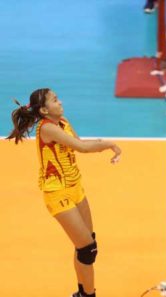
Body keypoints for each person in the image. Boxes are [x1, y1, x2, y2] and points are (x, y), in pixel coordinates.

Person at [7, 88, 122, 297]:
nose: (60, 102)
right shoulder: (47, 128)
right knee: (87, 249)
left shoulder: (63, 121)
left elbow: (81, 144)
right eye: (55, 100)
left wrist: (101, 143)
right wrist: (110, 144)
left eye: (58, 98)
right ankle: (88, 295)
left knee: (88, 246)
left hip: (75, 187)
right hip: (58, 193)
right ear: (44, 110)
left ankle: (81, 293)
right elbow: (82, 148)